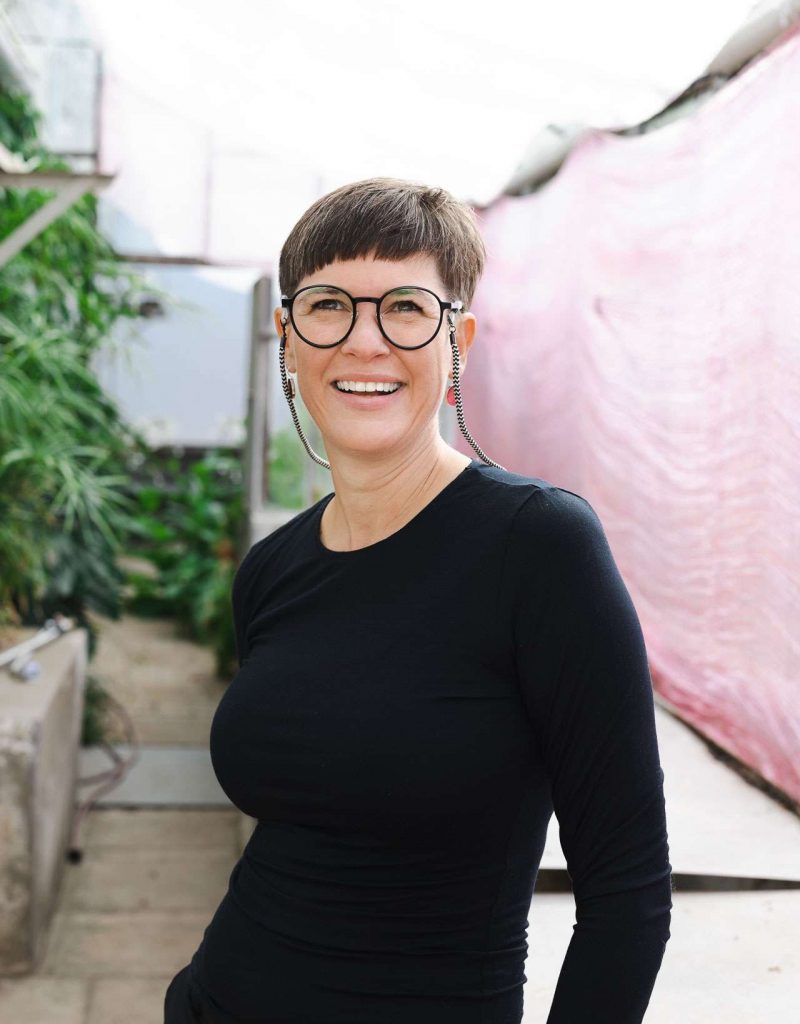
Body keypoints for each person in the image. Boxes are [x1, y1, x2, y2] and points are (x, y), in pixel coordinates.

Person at [164, 176, 672, 1024]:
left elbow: (629, 894)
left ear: (457, 340)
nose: (363, 342)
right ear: (288, 338)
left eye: (405, 308)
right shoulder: (273, 570)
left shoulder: (539, 548)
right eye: (328, 306)